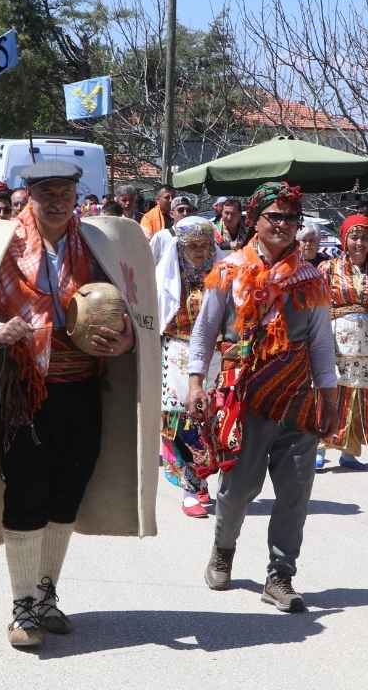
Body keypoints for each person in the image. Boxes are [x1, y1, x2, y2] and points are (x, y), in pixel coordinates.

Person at [0, 161, 144, 648]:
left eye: (66, 192)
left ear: (77, 195)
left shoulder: (98, 247)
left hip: (83, 384)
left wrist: (124, 341)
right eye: (47, 193)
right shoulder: (0, 247)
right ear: (30, 196)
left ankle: (45, 595)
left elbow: (131, 313)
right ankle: (21, 606)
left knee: (69, 489)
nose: (58, 202)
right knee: (26, 491)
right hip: (26, 384)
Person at [186, 181, 339, 613]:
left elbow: (322, 346)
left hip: (297, 398)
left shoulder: (311, 279)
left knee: (295, 492)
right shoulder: (229, 270)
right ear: (255, 219)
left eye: (292, 218)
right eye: (275, 216)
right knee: (238, 489)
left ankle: (281, 575)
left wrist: (330, 400)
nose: (284, 225)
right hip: (245, 399)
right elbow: (205, 332)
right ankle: (223, 550)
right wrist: (196, 383)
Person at [317, 215, 368, 469]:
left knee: (358, 395)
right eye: (354, 237)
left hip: (367, 344)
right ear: (345, 240)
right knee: (330, 393)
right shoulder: (328, 269)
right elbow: (314, 305)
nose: (359, 243)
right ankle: (320, 449)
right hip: (335, 341)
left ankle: (349, 452)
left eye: (364, 238)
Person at [156, 216, 222, 517]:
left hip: (215, 354)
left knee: (216, 420)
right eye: (192, 245)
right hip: (177, 352)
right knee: (180, 423)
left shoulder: (222, 274)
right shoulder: (166, 279)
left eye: (204, 245)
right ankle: (190, 487)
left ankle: (209, 480)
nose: (198, 251)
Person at [148, 195, 195, 261]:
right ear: (172, 214)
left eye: (189, 210)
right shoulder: (161, 237)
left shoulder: (197, 237)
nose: (185, 213)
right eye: (180, 210)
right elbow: (149, 261)